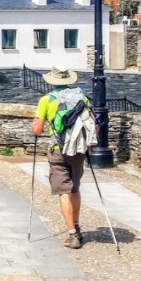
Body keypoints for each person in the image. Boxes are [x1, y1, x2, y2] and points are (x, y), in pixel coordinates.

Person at [31, 65, 91, 249]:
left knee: (63, 190)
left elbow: (37, 129)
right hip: (79, 149)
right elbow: (93, 126)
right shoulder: (83, 98)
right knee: (75, 188)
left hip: (58, 149)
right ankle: (77, 225)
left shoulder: (46, 100)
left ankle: (72, 234)